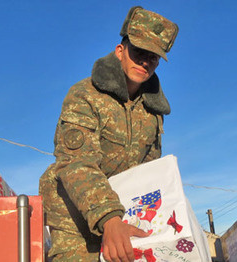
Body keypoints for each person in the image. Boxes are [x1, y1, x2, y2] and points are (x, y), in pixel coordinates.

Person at [39, 6, 178, 262]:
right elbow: (76, 163)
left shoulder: (153, 112)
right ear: (120, 51)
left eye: (153, 57)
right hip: (72, 210)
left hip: (123, 210)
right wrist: (110, 219)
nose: (145, 62)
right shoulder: (85, 95)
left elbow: (149, 174)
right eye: (138, 53)